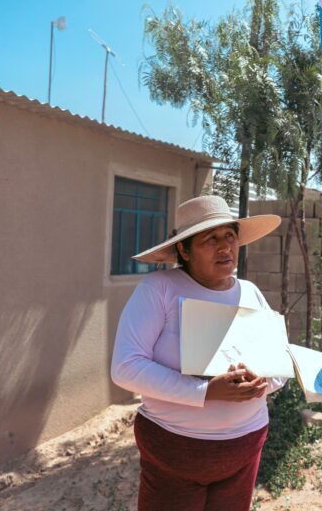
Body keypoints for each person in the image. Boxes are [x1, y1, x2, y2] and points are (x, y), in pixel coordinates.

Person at [111, 195, 285, 511]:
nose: (224, 247)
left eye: (230, 235)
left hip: (245, 448)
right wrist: (205, 391)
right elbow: (126, 366)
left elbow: (279, 363)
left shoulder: (251, 293)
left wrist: (263, 382)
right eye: (210, 239)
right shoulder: (159, 288)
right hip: (174, 451)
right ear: (184, 250)